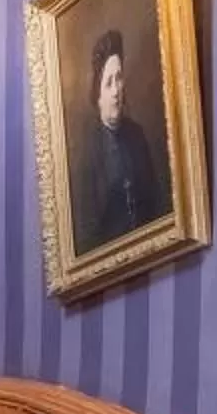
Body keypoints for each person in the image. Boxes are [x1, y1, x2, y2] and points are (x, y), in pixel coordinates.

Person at [68, 28, 170, 254]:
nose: (116, 90)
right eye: (108, 83)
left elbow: (156, 200)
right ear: (98, 93)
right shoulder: (86, 151)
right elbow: (87, 232)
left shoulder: (137, 135)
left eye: (119, 78)